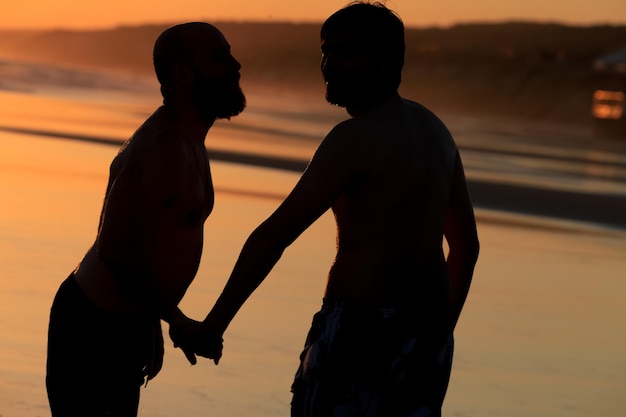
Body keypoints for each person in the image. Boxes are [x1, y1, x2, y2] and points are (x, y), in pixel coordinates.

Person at [173, 2, 479, 416]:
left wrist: (213, 325)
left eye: (345, 52)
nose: (328, 64)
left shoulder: (353, 139)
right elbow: (466, 247)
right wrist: (440, 333)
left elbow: (274, 236)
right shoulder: (435, 131)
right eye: (325, 50)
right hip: (426, 335)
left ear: (387, 62)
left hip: (358, 332)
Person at [45, 22, 245, 417]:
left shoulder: (186, 140)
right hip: (93, 326)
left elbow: (141, 239)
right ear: (183, 73)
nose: (236, 65)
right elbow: (114, 248)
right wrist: (175, 319)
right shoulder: (161, 148)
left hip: (120, 321)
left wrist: (149, 320)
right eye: (220, 57)